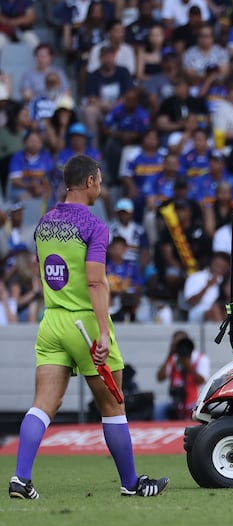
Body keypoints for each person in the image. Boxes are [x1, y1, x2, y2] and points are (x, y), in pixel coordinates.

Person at [8, 154, 168, 500]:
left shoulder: (44, 224)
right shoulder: (95, 226)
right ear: (90, 183)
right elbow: (96, 282)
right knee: (112, 405)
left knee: (42, 404)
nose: (101, 186)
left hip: (51, 322)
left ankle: (21, 478)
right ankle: (131, 483)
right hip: (85, 323)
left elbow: (45, 272)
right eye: (99, 180)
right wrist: (104, 332)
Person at [155, 332, 210, 420]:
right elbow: (160, 377)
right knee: (158, 410)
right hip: (175, 403)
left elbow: (202, 381)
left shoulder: (200, 358)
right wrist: (169, 355)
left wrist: (188, 366)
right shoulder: (173, 359)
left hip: (195, 402)